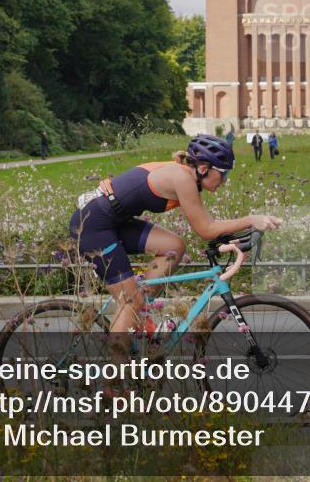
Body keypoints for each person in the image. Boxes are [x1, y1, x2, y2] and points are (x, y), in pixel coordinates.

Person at [70, 135, 281, 346]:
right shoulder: (183, 179)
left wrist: (234, 237)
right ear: (204, 168)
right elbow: (206, 229)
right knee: (130, 301)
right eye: (223, 173)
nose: (224, 181)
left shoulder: (186, 175)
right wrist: (251, 219)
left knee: (174, 247)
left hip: (114, 221)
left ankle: (142, 315)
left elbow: (209, 223)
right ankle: (114, 375)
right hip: (92, 225)